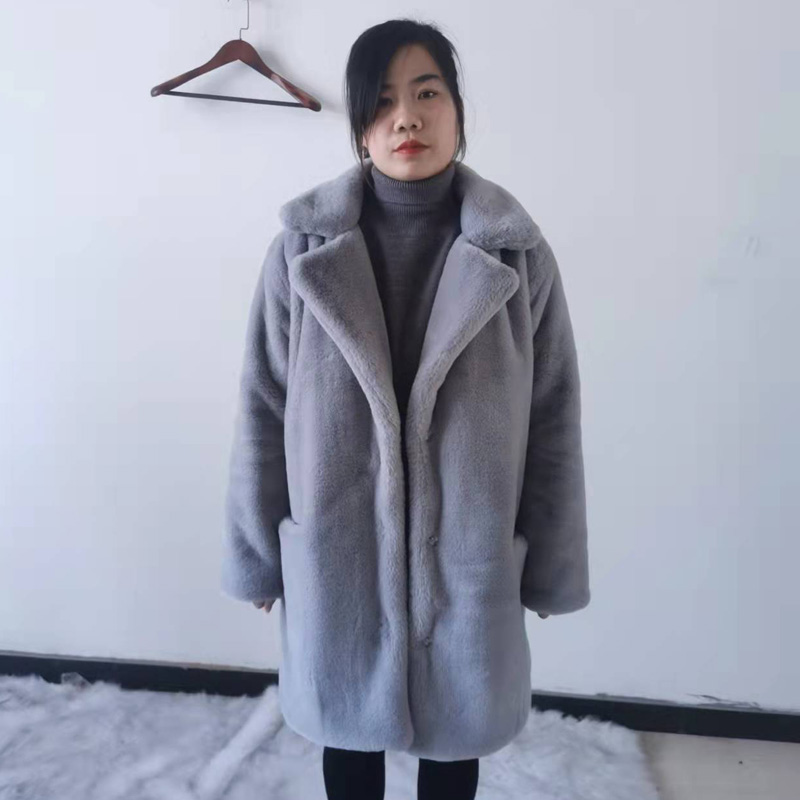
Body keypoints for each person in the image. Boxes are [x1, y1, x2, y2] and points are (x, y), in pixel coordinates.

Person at [224, 17, 589, 800]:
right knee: (347, 742)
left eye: (427, 94)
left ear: (457, 109)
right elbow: (263, 404)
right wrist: (257, 550)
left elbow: (553, 413)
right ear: (361, 126)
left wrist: (552, 562)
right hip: (338, 554)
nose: (406, 119)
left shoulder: (517, 254)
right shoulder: (301, 252)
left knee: (456, 742)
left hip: (470, 559)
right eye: (383, 101)